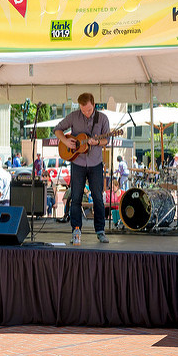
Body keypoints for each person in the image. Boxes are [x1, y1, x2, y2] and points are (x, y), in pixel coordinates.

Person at [54, 92, 110, 243]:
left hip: (95, 163)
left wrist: (97, 143)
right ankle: (76, 230)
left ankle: (100, 230)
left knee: (98, 198)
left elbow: (107, 140)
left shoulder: (102, 119)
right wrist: (65, 142)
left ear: (94, 104)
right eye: (83, 110)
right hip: (77, 163)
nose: (86, 113)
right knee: (76, 197)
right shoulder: (73, 116)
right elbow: (57, 129)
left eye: (89, 110)